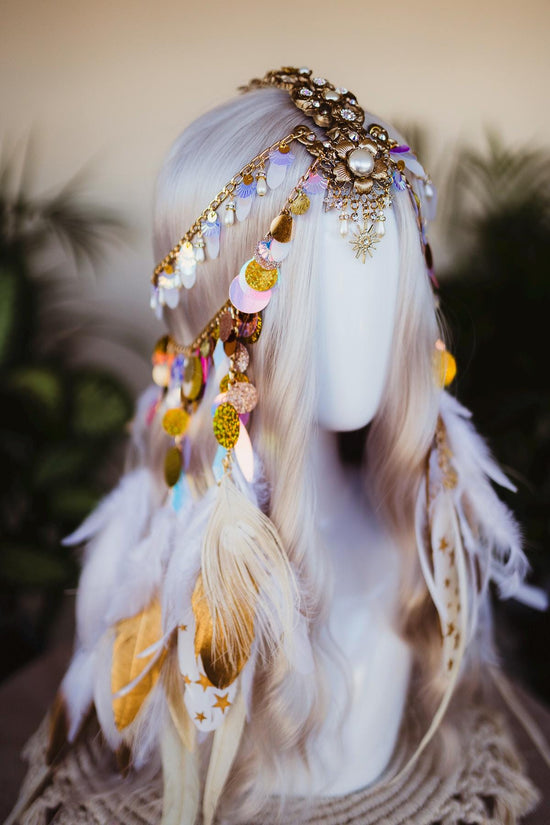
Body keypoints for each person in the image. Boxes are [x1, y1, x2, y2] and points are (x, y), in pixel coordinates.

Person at [8, 67, 544, 825]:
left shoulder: (408, 536)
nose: (367, 336)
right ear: (219, 310)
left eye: (383, 283)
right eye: (317, 291)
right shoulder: (191, 568)